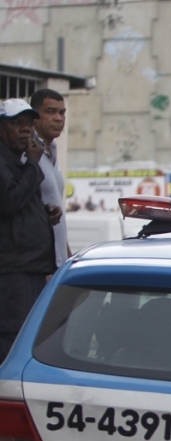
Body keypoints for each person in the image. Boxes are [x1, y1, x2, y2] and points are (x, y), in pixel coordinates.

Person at [0, 98, 59, 361]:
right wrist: (33, 164)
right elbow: (8, 201)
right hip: (13, 272)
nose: (25, 129)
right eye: (17, 123)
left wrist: (44, 214)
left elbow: (20, 203)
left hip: (31, 267)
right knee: (12, 341)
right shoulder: (16, 162)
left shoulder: (20, 161)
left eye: (28, 123)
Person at [32, 88, 69, 269]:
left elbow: (58, 213)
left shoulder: (52, 152)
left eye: (62, 112)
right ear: (35, 116)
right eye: (50, 111)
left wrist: (67, 256)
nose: (58, 118)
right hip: (37, 264)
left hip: (57, 263)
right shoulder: (28, 153)